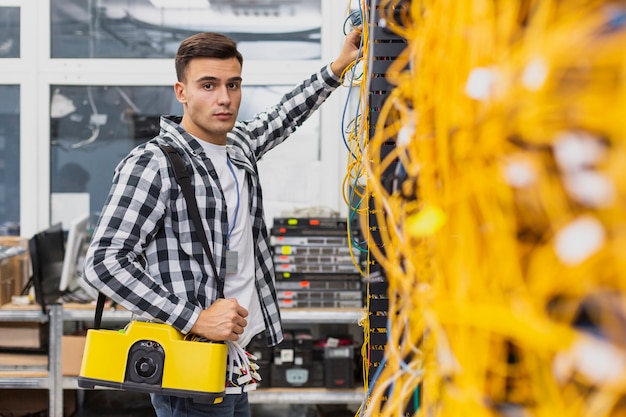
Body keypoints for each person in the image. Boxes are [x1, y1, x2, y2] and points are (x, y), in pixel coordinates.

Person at [82, 29, 362, 417]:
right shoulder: (154, 162)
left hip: (231, 356)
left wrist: (338, 66)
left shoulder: (237, 147)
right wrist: (196, 317)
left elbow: (283, 115)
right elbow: (103, 262)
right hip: (186, 365)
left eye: (233, 85)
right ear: (182, 92)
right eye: (208, 85)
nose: (224, 98)